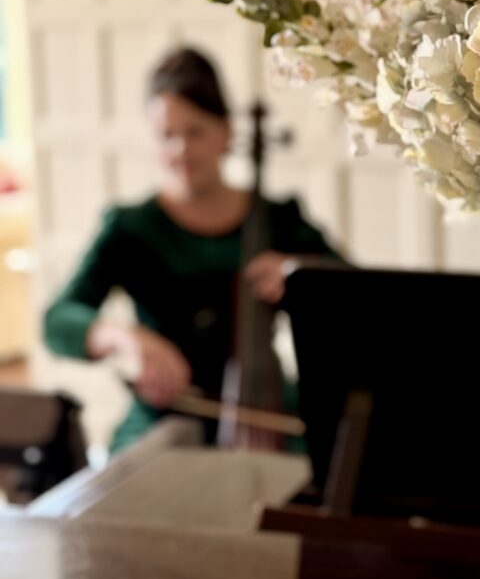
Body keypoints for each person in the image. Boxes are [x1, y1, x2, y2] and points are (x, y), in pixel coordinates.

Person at [44, 47, 341, 451]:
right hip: (161, 418)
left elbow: (351, 291)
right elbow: (58, 320)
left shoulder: (276, 219)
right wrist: (125, 338)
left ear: (226, 133)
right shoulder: (132, 227)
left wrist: (299, 273)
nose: (181, 150)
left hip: (269, 411)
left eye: (194, 131)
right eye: (167, 135)